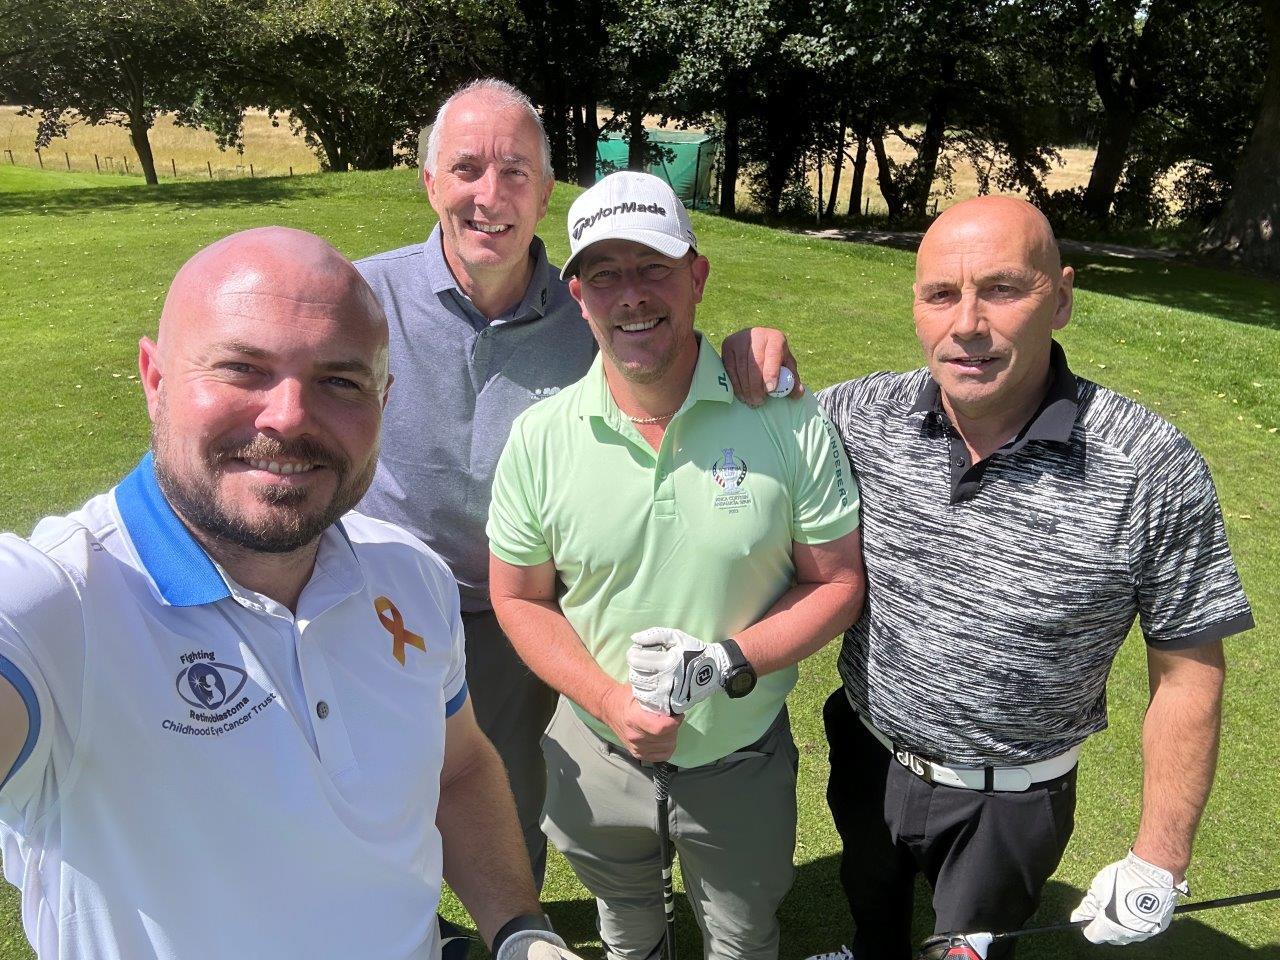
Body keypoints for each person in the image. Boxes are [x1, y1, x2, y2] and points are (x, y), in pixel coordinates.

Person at [0, 227, 582, 960]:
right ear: (154, 378)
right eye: (242, 368)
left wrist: (519, 929)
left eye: (339, 381)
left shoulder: (411, 576)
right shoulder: (60, 608)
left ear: (384, 400)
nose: (288, 417)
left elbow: (457, 767)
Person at [355, 78, 796, 884]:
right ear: (428, 184)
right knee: (369, 800)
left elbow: (669, 353)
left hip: (524, 611)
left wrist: (753, 344)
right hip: (382, 606)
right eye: (465, 169)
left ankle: (513, 931)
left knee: (508, 801)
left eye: (516, 171)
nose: (491, 195)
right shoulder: (362, 299)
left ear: (546, 190)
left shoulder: (590, 311)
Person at [811, 196, 1253, 960]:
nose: (968, 324)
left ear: (1063, 297)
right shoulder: (857, 415)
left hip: (1010, 801)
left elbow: (1187, 672)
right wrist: (756, 352)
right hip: (867, 745)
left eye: (1003, 289)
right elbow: (736, 432)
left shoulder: (1149, 466)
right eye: (941, 294)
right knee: (871, 903)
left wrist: (1161, 857)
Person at [486, 171, 866, 960]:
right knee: (626, 931)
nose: (632, 295)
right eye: (606, 274)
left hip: (739, 749)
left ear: (696, 275)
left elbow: (837, 581)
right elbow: (517, 599)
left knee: (742, 936)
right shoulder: (539, 437)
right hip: (595, 749)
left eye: (653, 267)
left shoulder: (785, 415)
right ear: (577, 294)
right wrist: (608, 699)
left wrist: (729, 660)